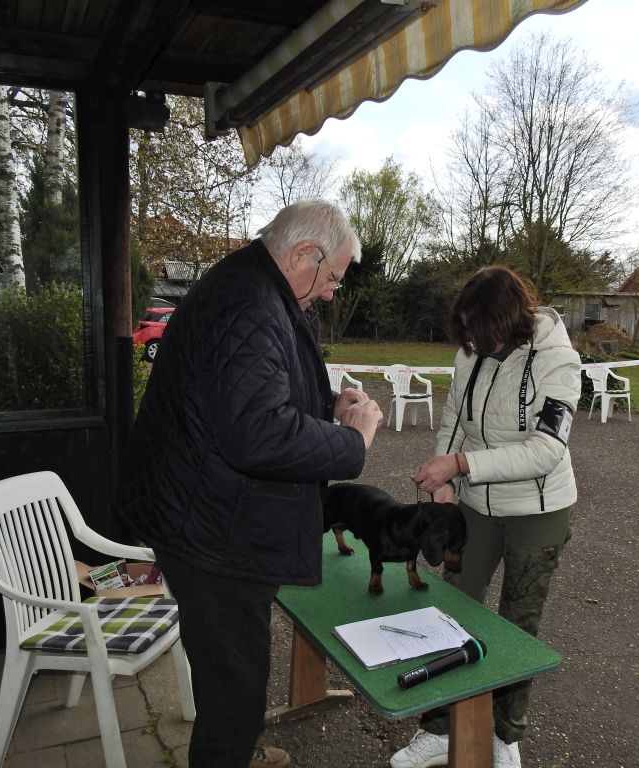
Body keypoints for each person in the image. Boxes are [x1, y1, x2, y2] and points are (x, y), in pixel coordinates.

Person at [114, 200, 384, 768]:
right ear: (304, 254)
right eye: (333, 277)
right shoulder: (249, 303)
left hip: (206, 514)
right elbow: (258, 434)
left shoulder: (256, 286)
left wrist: (327, 406)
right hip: (211, 532)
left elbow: (254, 394)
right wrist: (353, 441)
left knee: (232, 679)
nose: (331, 292)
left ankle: (237, 751)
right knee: (234, 694)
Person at [393, 265, 582, 768]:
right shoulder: (469, 353)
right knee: (450, 611)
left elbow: (546, 450)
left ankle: (506, 735)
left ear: (507, 319)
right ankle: (437, 728)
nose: (471, 341)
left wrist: (460, 465)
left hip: (539, 511)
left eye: (479, 330)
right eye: (466, 331)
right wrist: (445, 478)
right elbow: (454, 420)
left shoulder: (559, 361)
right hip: (475, 507)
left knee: (519, 623)